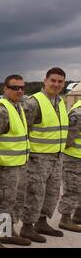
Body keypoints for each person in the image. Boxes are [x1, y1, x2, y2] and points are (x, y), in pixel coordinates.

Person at [20, 67, 68, 242]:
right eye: (53, 80)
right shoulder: (34, 102)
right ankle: (27, 226)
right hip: (37, 158)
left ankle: (41, 222)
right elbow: (23, 130)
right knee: (35, 193)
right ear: (45, 81)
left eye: (60, 81)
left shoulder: (60, 102)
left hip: (56, 157)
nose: (56, 84)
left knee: (51, 193)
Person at [0, 75, 31, 247]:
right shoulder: (2, 110)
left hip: (18, 165)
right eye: (14, 87)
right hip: (3, 168)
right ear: (5, 89)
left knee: (14, 202)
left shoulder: (18, 107)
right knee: (0, 203)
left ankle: (6, 233)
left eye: (21, 87)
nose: (19, 90)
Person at [57, 98, 81, 233]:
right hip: (73, 158)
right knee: (72, 189)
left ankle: (78, 215)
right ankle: (65, 218)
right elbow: (69, 139)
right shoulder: (78, 113)